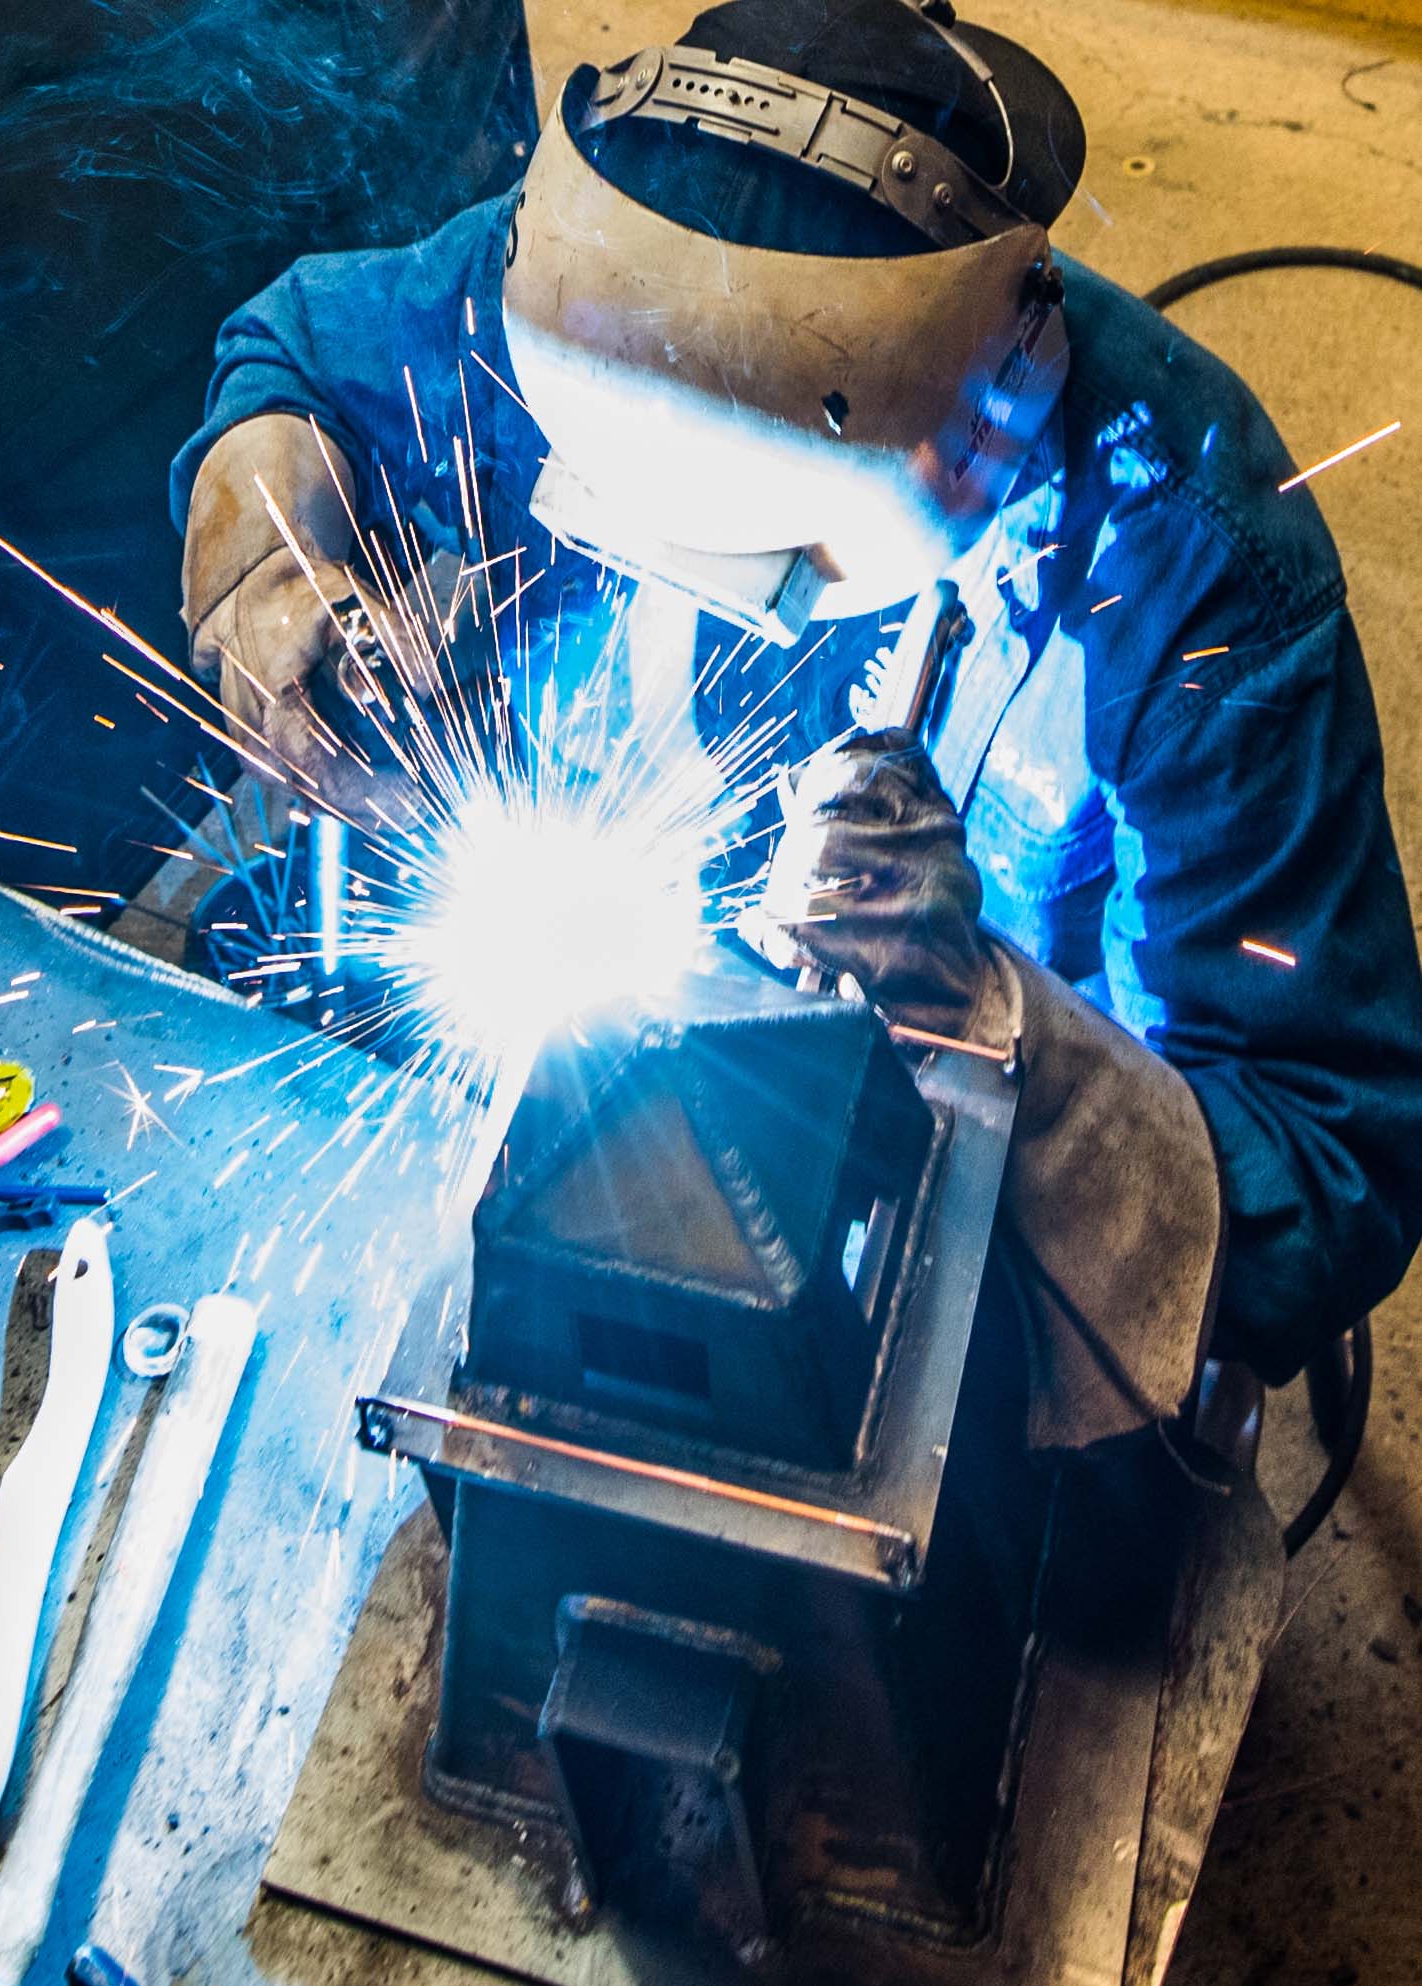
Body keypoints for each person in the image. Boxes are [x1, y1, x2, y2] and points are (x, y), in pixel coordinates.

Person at [170, 0, 1422, 1443]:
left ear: (994, 410)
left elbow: (1336, 1159)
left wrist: (1003, 1031)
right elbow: (294, 359)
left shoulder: (1189, 560)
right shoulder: (599, 289)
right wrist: (279, 579)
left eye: (767, 558)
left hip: (990, 1278)